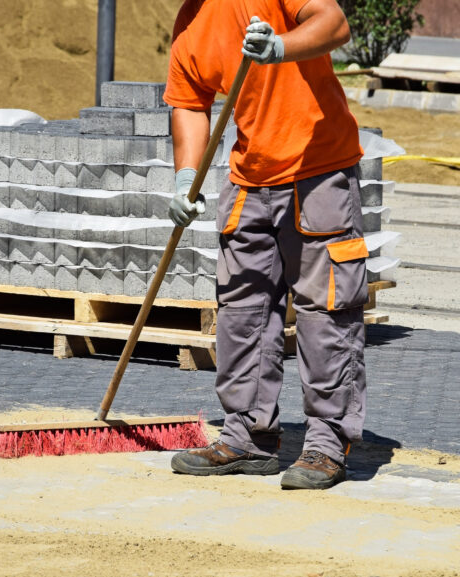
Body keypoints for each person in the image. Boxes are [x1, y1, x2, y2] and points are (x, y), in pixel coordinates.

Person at [164, 0, 369, 490]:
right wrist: (185, 178)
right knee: (242, 311)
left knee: (326, 312)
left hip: (318, 170)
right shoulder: (188, 26)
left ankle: (326, 444)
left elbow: (334, 23)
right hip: (249, 178)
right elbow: (190, 104)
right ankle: (246, 438)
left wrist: (281, 47)